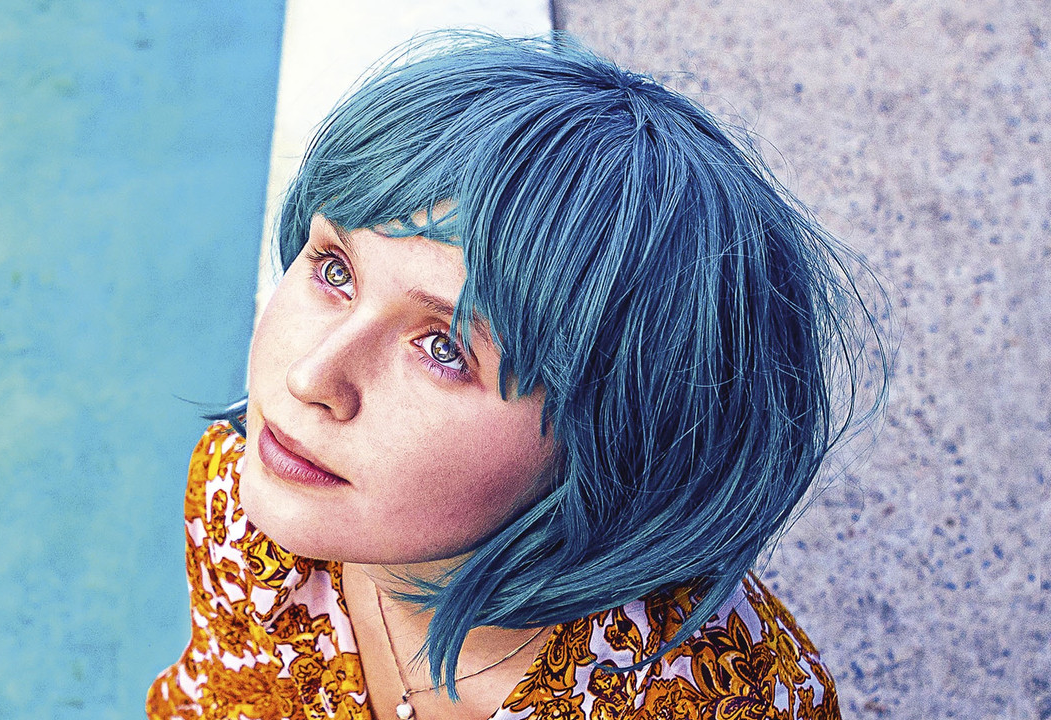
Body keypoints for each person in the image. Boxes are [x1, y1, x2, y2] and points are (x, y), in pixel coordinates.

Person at [147, 31, 886, 720]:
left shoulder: (717, 702)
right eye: (335, 269)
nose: (311, 378)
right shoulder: (242, 506)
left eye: (444, 348)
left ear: (613, 448)